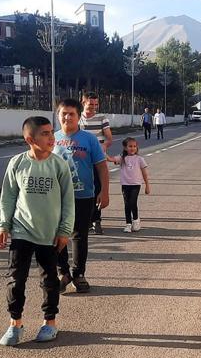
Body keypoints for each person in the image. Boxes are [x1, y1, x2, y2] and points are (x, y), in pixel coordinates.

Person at [0, 116, 74, 346]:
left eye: (52, 133)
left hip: (49, 234)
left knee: (49, 279)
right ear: (30, 139)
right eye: (45, 134)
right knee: (15, 279)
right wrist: (4, 225)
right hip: (21, 230)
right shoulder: (17, 163)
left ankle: (50, 322)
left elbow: (68, 201)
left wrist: (64, 231)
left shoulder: (59, 165)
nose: (52, 137)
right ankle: (15, 324)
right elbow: (8, 197)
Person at [53, 98, 109, 293]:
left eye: (72, 114)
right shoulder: (52, 139)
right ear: (58, 115)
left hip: (85, 196)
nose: (67, 117)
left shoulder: (89, 139)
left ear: (78, 117)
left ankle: (79, 274)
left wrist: (104, 191)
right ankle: (63, 273)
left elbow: (101, 166)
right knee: (57, 236)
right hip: (57, 198)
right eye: (64, 113)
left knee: (80, 236)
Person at [79, 92, 113, 235]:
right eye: (90, 104)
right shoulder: (77, 118)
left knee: (97, 188)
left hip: (97, 159)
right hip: (80, 160)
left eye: (95, 104)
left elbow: (109, 138)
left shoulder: (101, 118)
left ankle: (96, 220)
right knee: (82, 189)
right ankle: (84, 220)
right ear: (83, 102)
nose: (93, 107)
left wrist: (103, 147)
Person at [108, 137, 150, 232]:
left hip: (136, 184)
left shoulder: (140, 159)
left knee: (132, 202)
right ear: (125, 148)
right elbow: (111, 159)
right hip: (125, 184)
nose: (132, 148)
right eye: (130, 146)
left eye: (134, 146)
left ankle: (136, 220)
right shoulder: (122, 158)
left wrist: (147, 185)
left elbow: (144, 173)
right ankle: (128, 224)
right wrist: (102, 152)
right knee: (127, 204)